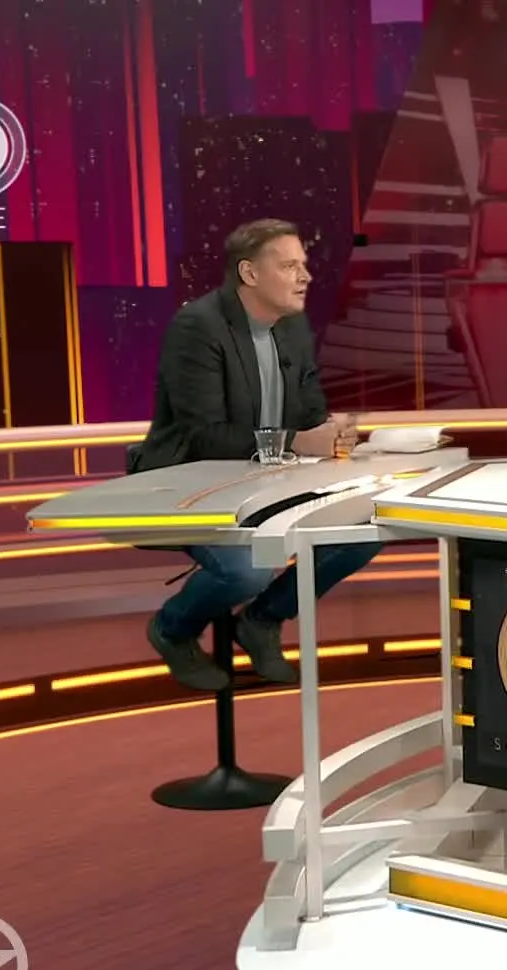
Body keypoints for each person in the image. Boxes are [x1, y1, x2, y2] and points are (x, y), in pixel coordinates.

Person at [133, 219, 383, 692]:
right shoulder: (198, 327)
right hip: (192, 485)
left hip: (271, 481)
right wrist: (297, 442)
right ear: (249, 273)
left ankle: (262, 620)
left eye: (303, 265)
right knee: (248, 568)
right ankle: (173, 629)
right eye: (289, 266)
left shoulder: (293, 327)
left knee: (362, 532)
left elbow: (309, 410)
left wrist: (331, 433)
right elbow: (206, 437)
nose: (305, 276)